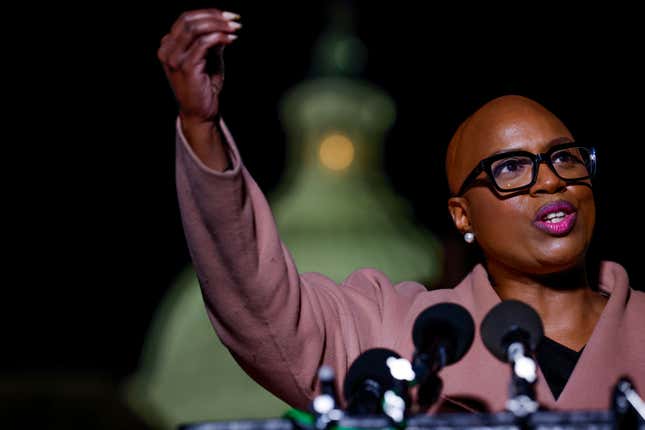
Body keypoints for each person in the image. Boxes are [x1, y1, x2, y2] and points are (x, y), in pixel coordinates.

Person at [157, 8, 645, 414]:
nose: (551, 178)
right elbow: (262, 307)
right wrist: (202, 128)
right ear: (462, 216)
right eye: (512, 167)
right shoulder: (404, 333)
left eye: (565, 157)